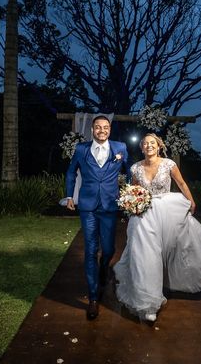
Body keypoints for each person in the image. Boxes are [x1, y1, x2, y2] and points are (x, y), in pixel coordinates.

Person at [113, 133, 201, 323]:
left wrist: (191, 201)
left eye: (152, 143)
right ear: (141, 148)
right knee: (146, 255)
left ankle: (167, 283)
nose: (149, 146)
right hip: (143, 215)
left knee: (172, 249)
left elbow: (181, 183)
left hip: (166, 211)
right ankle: (148, 302)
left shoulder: (169, 164)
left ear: (159, 146)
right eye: (146, 144)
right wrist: (131, 204)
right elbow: (134, 191)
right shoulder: (135, 168)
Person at [65, 115, 130, 320]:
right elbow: (70, 173)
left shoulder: (120, 148)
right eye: (98, 127)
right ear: (92, 130)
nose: (102, 130)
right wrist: (69, 195)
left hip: (110, 205)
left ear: (110, 129)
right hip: (88, 206)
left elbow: (129, 172)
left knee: (109, 249)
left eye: (106, 127)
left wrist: (129, 194)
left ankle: (104, 269)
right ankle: (93, 299)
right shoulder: (81, 149)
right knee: (91, 249)